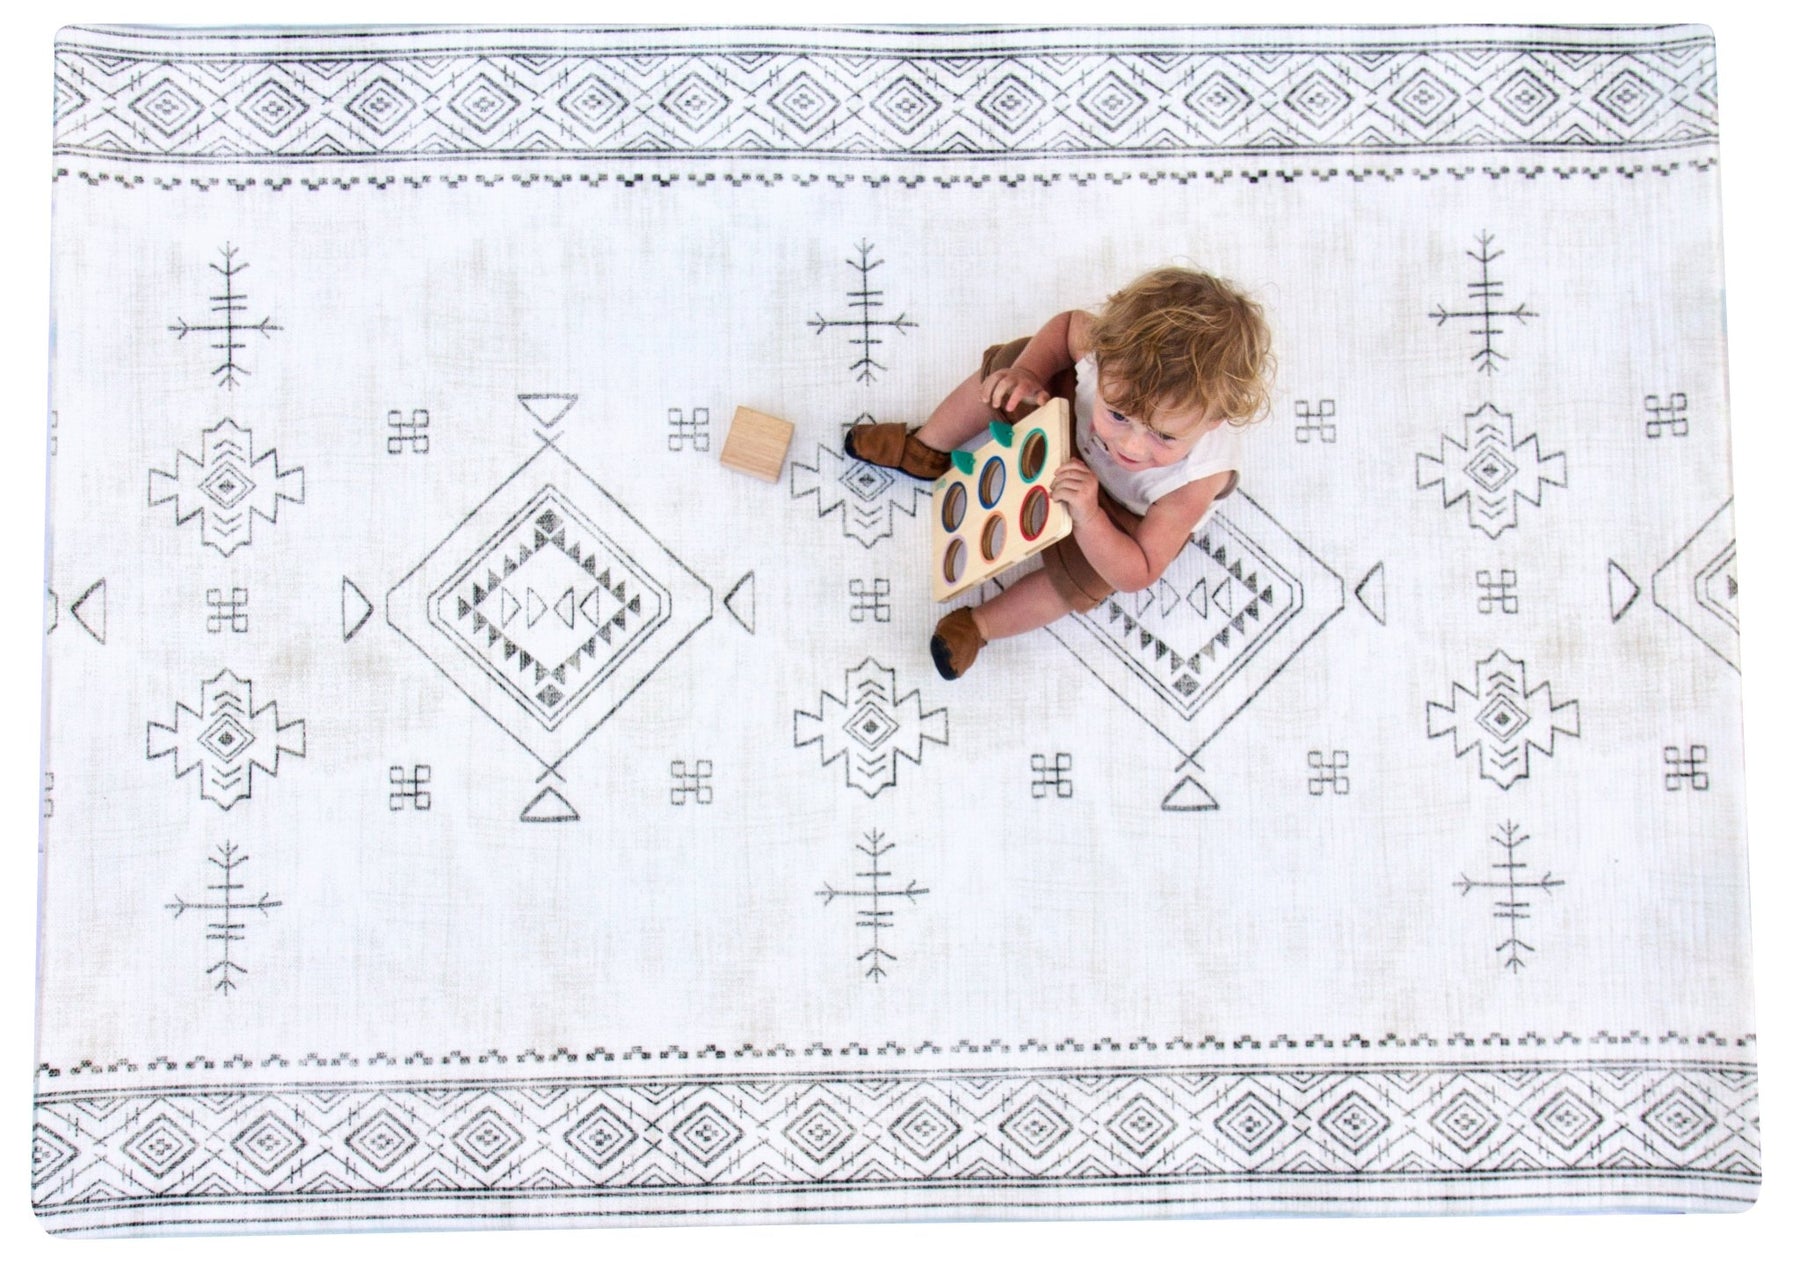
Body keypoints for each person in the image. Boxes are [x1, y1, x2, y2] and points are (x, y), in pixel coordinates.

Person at [845, 265, 1273, 680]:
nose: (1130, 447)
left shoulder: (1194, 481)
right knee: (1007, 371)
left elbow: (1137, 572)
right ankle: (926, 448)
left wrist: (1090, 516)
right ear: (1104, 354)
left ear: (1214, 421)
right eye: (1118, 414)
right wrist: (1028, 372)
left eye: (1163, 436)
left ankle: (981, 626)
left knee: (1091, 577)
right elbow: (1067, 326)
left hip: (1120, 512)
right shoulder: (1107, 349)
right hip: (1068, 427)